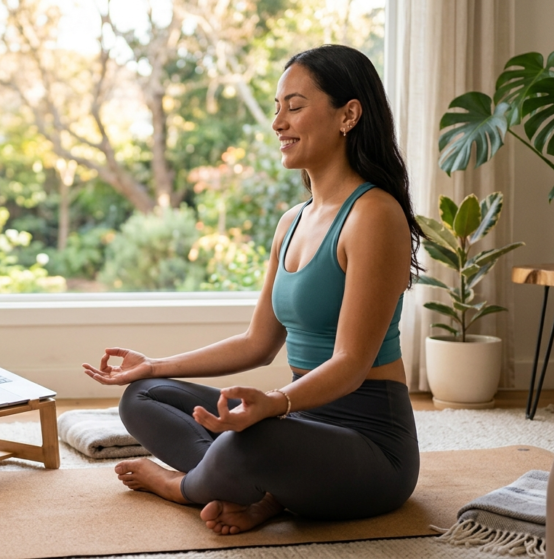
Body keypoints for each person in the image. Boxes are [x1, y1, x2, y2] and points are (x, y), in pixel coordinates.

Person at [82, 44, 424, 535]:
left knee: (250, 441)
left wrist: (276, 403)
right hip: (297, 424)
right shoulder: (293, 221)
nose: (278, 123)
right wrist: (154, 365)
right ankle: (258, 490)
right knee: (143, 396)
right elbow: (258, 343)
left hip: (369, 444)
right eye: (277, 108)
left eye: (296, 106)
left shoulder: (374, 215)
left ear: (348, 115)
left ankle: (181, 486)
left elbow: (350, 365)